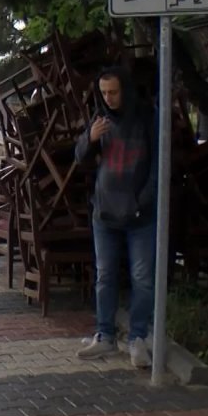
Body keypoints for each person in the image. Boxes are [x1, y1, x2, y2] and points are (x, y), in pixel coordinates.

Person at [74, 67, 157, 369]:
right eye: (104, 92)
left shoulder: (146, 118)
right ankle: (105, 334)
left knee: (142, 278)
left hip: (139, 215)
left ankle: (138, 338)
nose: (108, 98)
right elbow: (79, 158)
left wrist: (142, 201)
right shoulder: (100, 118)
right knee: (105, 276)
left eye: (114, 92)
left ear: (125, 90)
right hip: (105, 213)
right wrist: (90, 139)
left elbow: (157, 166)